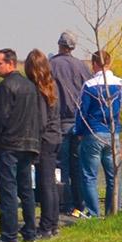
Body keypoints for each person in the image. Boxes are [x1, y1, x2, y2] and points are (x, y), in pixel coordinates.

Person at [0, 48, 45, 242]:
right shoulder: (31, 87)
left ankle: (9, 236)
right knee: (26, 190)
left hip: (9, 145)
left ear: (11, 63)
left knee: (8, 189)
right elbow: (38, 117)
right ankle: (30, 233)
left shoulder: (5, 87)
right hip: (28, 144)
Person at [71, 50, 122, 217]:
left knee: (90, 175)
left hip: (94, 132)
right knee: (114, 175)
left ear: (94, 64)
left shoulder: (89, 85)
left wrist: (79, 131)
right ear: (109, 63)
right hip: (113, 133)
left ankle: (93, 213)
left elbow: (82, 111)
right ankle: (113, 212)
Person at [48, 32, 89, 214]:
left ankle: (65, 203)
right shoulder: (82, 66)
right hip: (80, 123)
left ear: (59, 44)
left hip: (60, 121)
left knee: (61, 165)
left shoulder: (52, 65)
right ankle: (80, 203)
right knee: (78, 165)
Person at [24, 49, 62, 239]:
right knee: (50, 183)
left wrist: (32, 139)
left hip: (45, 139)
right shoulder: (52, 85)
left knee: (44, 183)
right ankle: (53, 223)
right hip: (55, 136)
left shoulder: (38, 90)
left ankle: (46, 226)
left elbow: (41, 120)